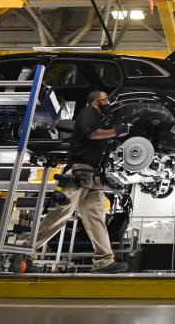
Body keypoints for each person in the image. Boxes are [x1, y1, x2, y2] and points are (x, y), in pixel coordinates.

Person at [34, 90, 130, 274]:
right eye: (106, 99)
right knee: (60, 215)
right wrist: (115, 131)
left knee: (96, 219)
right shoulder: (88, 112)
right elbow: (92, 134)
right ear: (96, 102)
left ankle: (104, 262)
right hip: (79, 172)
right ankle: (25, 251)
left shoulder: (101, 119)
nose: (108, 102)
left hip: (94, 177)